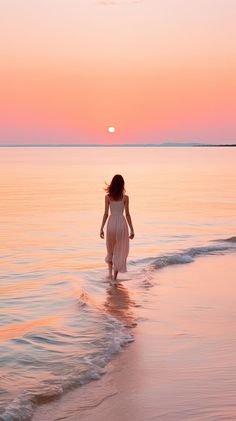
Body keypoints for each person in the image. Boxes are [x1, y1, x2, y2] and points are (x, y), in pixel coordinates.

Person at [100, 174, 134, 283]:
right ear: (122, 185)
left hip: (110, 224)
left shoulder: (107, 197)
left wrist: (101, 228)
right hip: (121, 225)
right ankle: (114, 278)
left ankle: (109, 275)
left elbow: (105, 214)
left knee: (110, 249)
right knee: (119, 250)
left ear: (113, 184)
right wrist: (132, 229)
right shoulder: (125, 198)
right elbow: (127, 214)